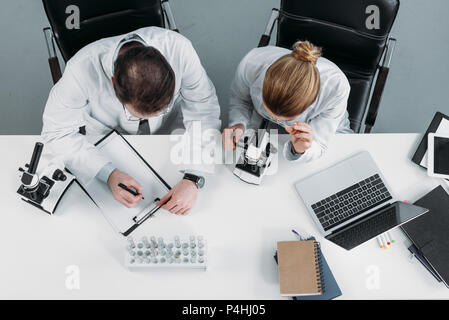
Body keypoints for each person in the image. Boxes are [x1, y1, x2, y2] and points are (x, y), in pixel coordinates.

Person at [42, 27, 221, 215]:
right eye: (136, 114)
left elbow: (203, 108)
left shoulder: (179, 49)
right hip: (107, 140)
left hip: (168, 138)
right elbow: (57, 133)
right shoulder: (80, 70)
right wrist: (107, 173)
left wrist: (193, 176)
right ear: (113, 82)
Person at [222, 41, 352, 162]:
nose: (276, 119)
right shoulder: (251, 64)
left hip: (321, 131)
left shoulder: (336, 89)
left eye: (283, 118)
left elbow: (320, 145)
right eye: (271, 112)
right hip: (262, 121)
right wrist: (239, 123)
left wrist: (300, 150)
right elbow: (241, 99)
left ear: (310, 102)